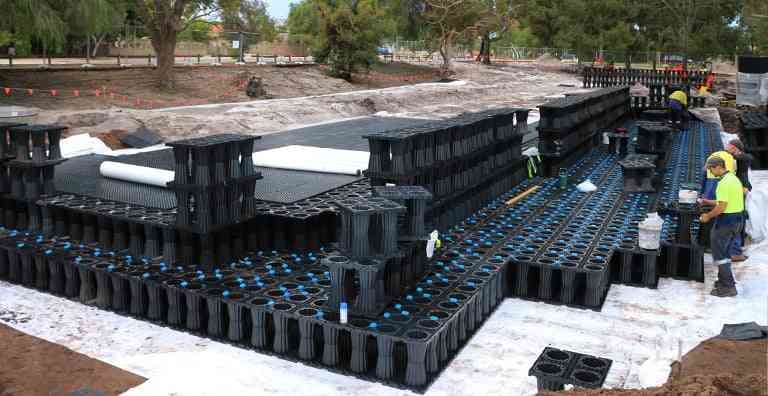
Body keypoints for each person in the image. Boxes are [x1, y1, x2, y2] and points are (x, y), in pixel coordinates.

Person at [699, 156, 744, 297]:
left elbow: (722, 207)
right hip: (738, 219)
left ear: (718, 166)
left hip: (726, 221)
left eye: (711, 169)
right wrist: (707, 201)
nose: (711, 172)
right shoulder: (733, 179)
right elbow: (725, 201)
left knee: (720, 254)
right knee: (725, 252)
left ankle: (728, 287)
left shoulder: (723, 183)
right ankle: (724, 280)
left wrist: (708, 216)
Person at [726, 139, 752, 262]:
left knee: (738, 217)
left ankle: (736, 248)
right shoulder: (734, 157)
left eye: (729, 146)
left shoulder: (742, 158)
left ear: (735, 148)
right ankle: (736, 247)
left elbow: (746, 158)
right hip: (738, 187)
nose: (727, 148)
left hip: (740, 188)